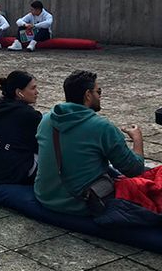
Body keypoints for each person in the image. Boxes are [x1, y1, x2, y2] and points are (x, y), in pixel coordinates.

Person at [34, 70, 146, 216]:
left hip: (44, 196)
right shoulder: (102, 127)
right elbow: (135, 169)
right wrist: (137, 139)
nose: (100, 95)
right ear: (88, 95)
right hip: (78, 203)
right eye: (98, 91)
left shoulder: (46, 119)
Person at [0, 71, 42, 185]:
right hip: (8, 174)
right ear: (19, 92)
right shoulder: (29, 115)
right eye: (33, 88)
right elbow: (41, 146)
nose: (37, 92)